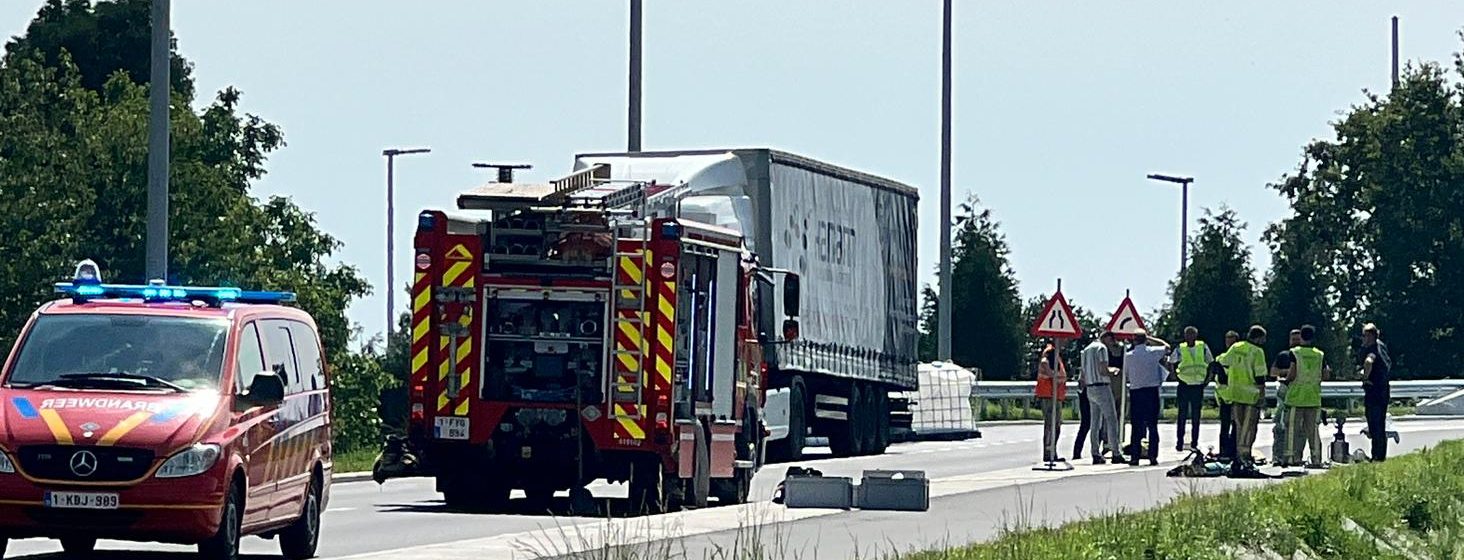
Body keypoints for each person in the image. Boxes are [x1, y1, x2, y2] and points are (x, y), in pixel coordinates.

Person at [1224, 326, 1269, 472]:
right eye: (1263, 338)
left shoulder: (1236, 347)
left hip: (1236, 394)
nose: (1264, 341)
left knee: (1239, 426)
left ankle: (1239, 456)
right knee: (1249, 428)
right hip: (1251, 395)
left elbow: (1224, 362)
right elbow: (1260, 376)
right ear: (1258, 337)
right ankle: (1245, 455)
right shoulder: (1257, 352)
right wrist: (1262, 396)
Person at [1123, 330, 1170, 466]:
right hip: (1151, 392)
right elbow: (1167, 346)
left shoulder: (1128, 356)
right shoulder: (1153, 352)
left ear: (1134, 340)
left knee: (1136, 426)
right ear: (1145, 340)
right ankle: (1153, 456)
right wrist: (1150, 338)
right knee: (1152, 426)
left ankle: (1135, 457)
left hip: (1136, 392)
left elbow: (1126, 375)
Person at [1080, 332, 1126, 464]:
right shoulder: (1102, 348)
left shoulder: (1086, 350)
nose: (1111, 344)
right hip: (1102, 386)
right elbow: (1103, 370)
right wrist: (1114, 370)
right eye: (1111, 340)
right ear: (1106, 338)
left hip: (1090, 387)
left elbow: (1082, 374)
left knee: (1095, 422)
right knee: (1111, 420)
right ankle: (1116, 453)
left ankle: (1095, 452)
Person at [1285, 325, 1326, 468]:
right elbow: (1325, 373)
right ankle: (1316, 458)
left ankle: (1291, 457)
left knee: (1292, 429)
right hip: (1313, 396)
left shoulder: (1295, 352)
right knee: (1313, 430)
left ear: (1301, 336)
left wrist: (1286, 380)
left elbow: (1292, 373)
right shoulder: (1319, 354)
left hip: (1296, 396)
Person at [1168, 326, 1214, 452]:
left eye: (1192, 334)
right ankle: (1179, 442)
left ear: (1196, 335)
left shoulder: (1202, 347)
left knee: (1196, 416)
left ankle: (1194, 442)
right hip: (1184, 384)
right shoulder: (1180, 348)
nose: (1190, 337)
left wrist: (1208, 378)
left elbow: (1210, 362)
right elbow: (1171, 361)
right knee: (1182, 415)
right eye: (1187, 334)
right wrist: (1174, 376)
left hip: (1198, 385)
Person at [1358, 323, 1392, 461]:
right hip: (1383, 389)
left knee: (1374, 424)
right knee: (1380, 423)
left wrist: (1365, 377)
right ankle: (1380, 455)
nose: (1363, 339)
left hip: (1373, 390)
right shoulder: (1381, 346)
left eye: (1364, 335)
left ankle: (1376, 456)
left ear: (1370, 336)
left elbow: (1368, 362)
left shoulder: (1372, 349)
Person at [1270, 328, 1302, 466]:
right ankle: (1277, 456)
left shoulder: (1304, 355)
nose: (1294, 342)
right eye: (1293, 339)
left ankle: (1296, 456)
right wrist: (1288, 372)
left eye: (1297, 339)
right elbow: (1272, 372)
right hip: (1284, 391)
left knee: (1299, 428)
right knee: (1280, 425)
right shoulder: (1283, 355)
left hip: (1301, 393)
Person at [1035, 341, 1068, 463]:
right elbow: (1046, 367)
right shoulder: (1049, 353)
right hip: (1048, 395)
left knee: (1057, 425)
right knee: (1050, 425)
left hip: (1056, 395)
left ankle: (1052, 451)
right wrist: (1056, 376)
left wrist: (1058, 377)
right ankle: (1048, 452)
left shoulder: (1056, 355)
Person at [1213, 330, 1240, 459]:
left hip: (1237, 397)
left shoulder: (1240, 358)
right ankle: (1224, 451)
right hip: (1225, 397)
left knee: (1236, 426)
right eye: (1227, 341)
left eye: (1232, 341)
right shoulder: (1221, 358)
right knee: (1224, 427)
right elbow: (1221, 379)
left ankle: (1234, 451)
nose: (1229, 344)